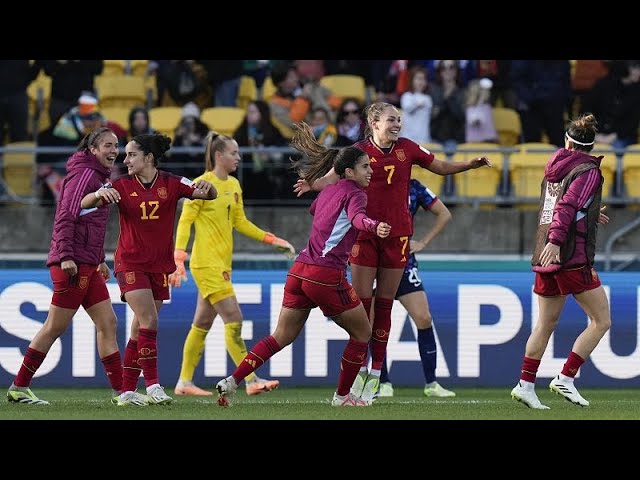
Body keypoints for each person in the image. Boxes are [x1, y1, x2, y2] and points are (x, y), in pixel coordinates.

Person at [294, 101, 490, 403]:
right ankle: (359, 372)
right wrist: (311, 184)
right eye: (391, 120)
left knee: (385, 306)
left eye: (399, 119)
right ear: (374, 123)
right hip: (364, 234)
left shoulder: (408, 148)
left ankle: (375, 375)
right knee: (363, 307)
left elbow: (439, 167)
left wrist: (468, 165)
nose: (397, 124)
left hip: (397, 236)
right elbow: (332, 178)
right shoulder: (358, 152)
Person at [215, 122, 391, 407]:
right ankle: (343, 397)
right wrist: (374, 226)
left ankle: (233, 380)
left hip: (299, 269)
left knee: (280, 336)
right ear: (349, 172)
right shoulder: (356, 194)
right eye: (365, 167)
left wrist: (318, 189)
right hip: (325, 273)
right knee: (362, 332)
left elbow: (314, 210)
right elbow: (358, 219)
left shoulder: (329, 191)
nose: (371, 171)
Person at [80, 133, 217, 406]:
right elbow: (84, 204)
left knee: (138, 331)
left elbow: (208, 194)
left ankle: (127, 391)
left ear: (149, 158)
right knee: (150, 321)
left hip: (159, 266)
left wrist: (207, 187)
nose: (126, 159)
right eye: (126, 154)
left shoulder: (172, 182)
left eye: (132, 154)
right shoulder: (119, 185)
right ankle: (154, 386)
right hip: (130, 263)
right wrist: (97, 194)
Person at [6, 127, 134, 405]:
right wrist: (66, 256)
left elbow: (91, 223)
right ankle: (19, 387)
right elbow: (66, 215)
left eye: (116, 146)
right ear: (93, 150)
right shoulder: (85, 175)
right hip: (73, 263)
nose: (114, 151)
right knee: (54, 326)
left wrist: (99, 260)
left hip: (87, 262)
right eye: (108, 146)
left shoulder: (97, 175)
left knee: (108, 323)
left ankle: (121, 392)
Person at [169, 130, 295, 397]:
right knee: (234, 319)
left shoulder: (234, 185)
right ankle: (250, 379)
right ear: (219, 155)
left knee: (201, 323)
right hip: (206, 265)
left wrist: (273, 240)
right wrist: (179, 256)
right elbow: (185, 221)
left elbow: (240, 222)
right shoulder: (201, 184)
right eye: (234, 153)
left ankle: (184, 382)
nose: (239, 157)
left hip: (222, 265)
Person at [510, 113, 611, 410]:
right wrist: (557, 242)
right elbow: (567, 207)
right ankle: (566, 378)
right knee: (601, 320)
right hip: (570, 255)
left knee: (545, 323)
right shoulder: (587, 169)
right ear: (591, 146)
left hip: (545, 252)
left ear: (567, 141)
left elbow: (556, 205)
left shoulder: (554, 166)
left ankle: (525, 385)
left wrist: (590, 213)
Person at [377, 178, 456, 398]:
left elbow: (444, 213)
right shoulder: (370, 181)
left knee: (423, 318)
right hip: (374, 263)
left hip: (404, 263)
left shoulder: (413, 186)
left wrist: (423, 242)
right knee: (374, 323)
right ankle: (382, 382)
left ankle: (431, 383)